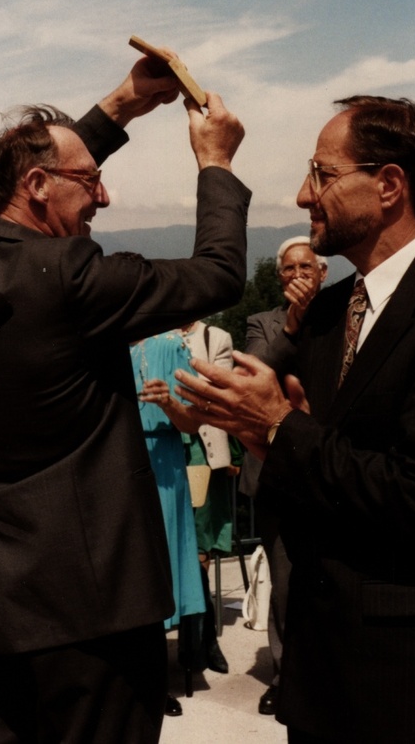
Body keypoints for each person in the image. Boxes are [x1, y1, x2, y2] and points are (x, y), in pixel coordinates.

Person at [0, 49, 249, 743]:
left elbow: (24, 195)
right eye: (90, 182)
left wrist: (121, 106)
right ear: (38, 184)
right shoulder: (76, 279)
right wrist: (215, 162)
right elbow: (217, 275)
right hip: (89, 617)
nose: (104, 196)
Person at [175, 95, 415, 743]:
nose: (303, 195)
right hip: (321, 676)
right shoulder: (329, 312)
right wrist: (260, 435)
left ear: (389, 184)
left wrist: (283, 430)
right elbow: (307, 478)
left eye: (322, 175)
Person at [238, 236, 327, 715]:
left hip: (334, 467)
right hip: (276, 470)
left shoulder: (342, 320)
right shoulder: (262, 323)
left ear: (323, 273)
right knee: (286, 578)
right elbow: (257, 373)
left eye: (306, 268)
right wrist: (291, 327)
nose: (297, 276)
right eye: (289, 269)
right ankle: (285, 673)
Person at [131, 330, 207, 717]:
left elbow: (192, 424)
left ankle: (154, 679)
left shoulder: (167, 346)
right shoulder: (94, 341)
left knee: (158, 568)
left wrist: (167, 405)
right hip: (106, 461)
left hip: (160, 460)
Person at [180, 319, 236, 675]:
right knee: (172, 547)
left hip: (201, 448)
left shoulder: (215, 337)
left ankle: (202, 643)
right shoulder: (154, 337)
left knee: (199, 549)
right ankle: (195, 643)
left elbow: (219, 390)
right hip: (168, 448)